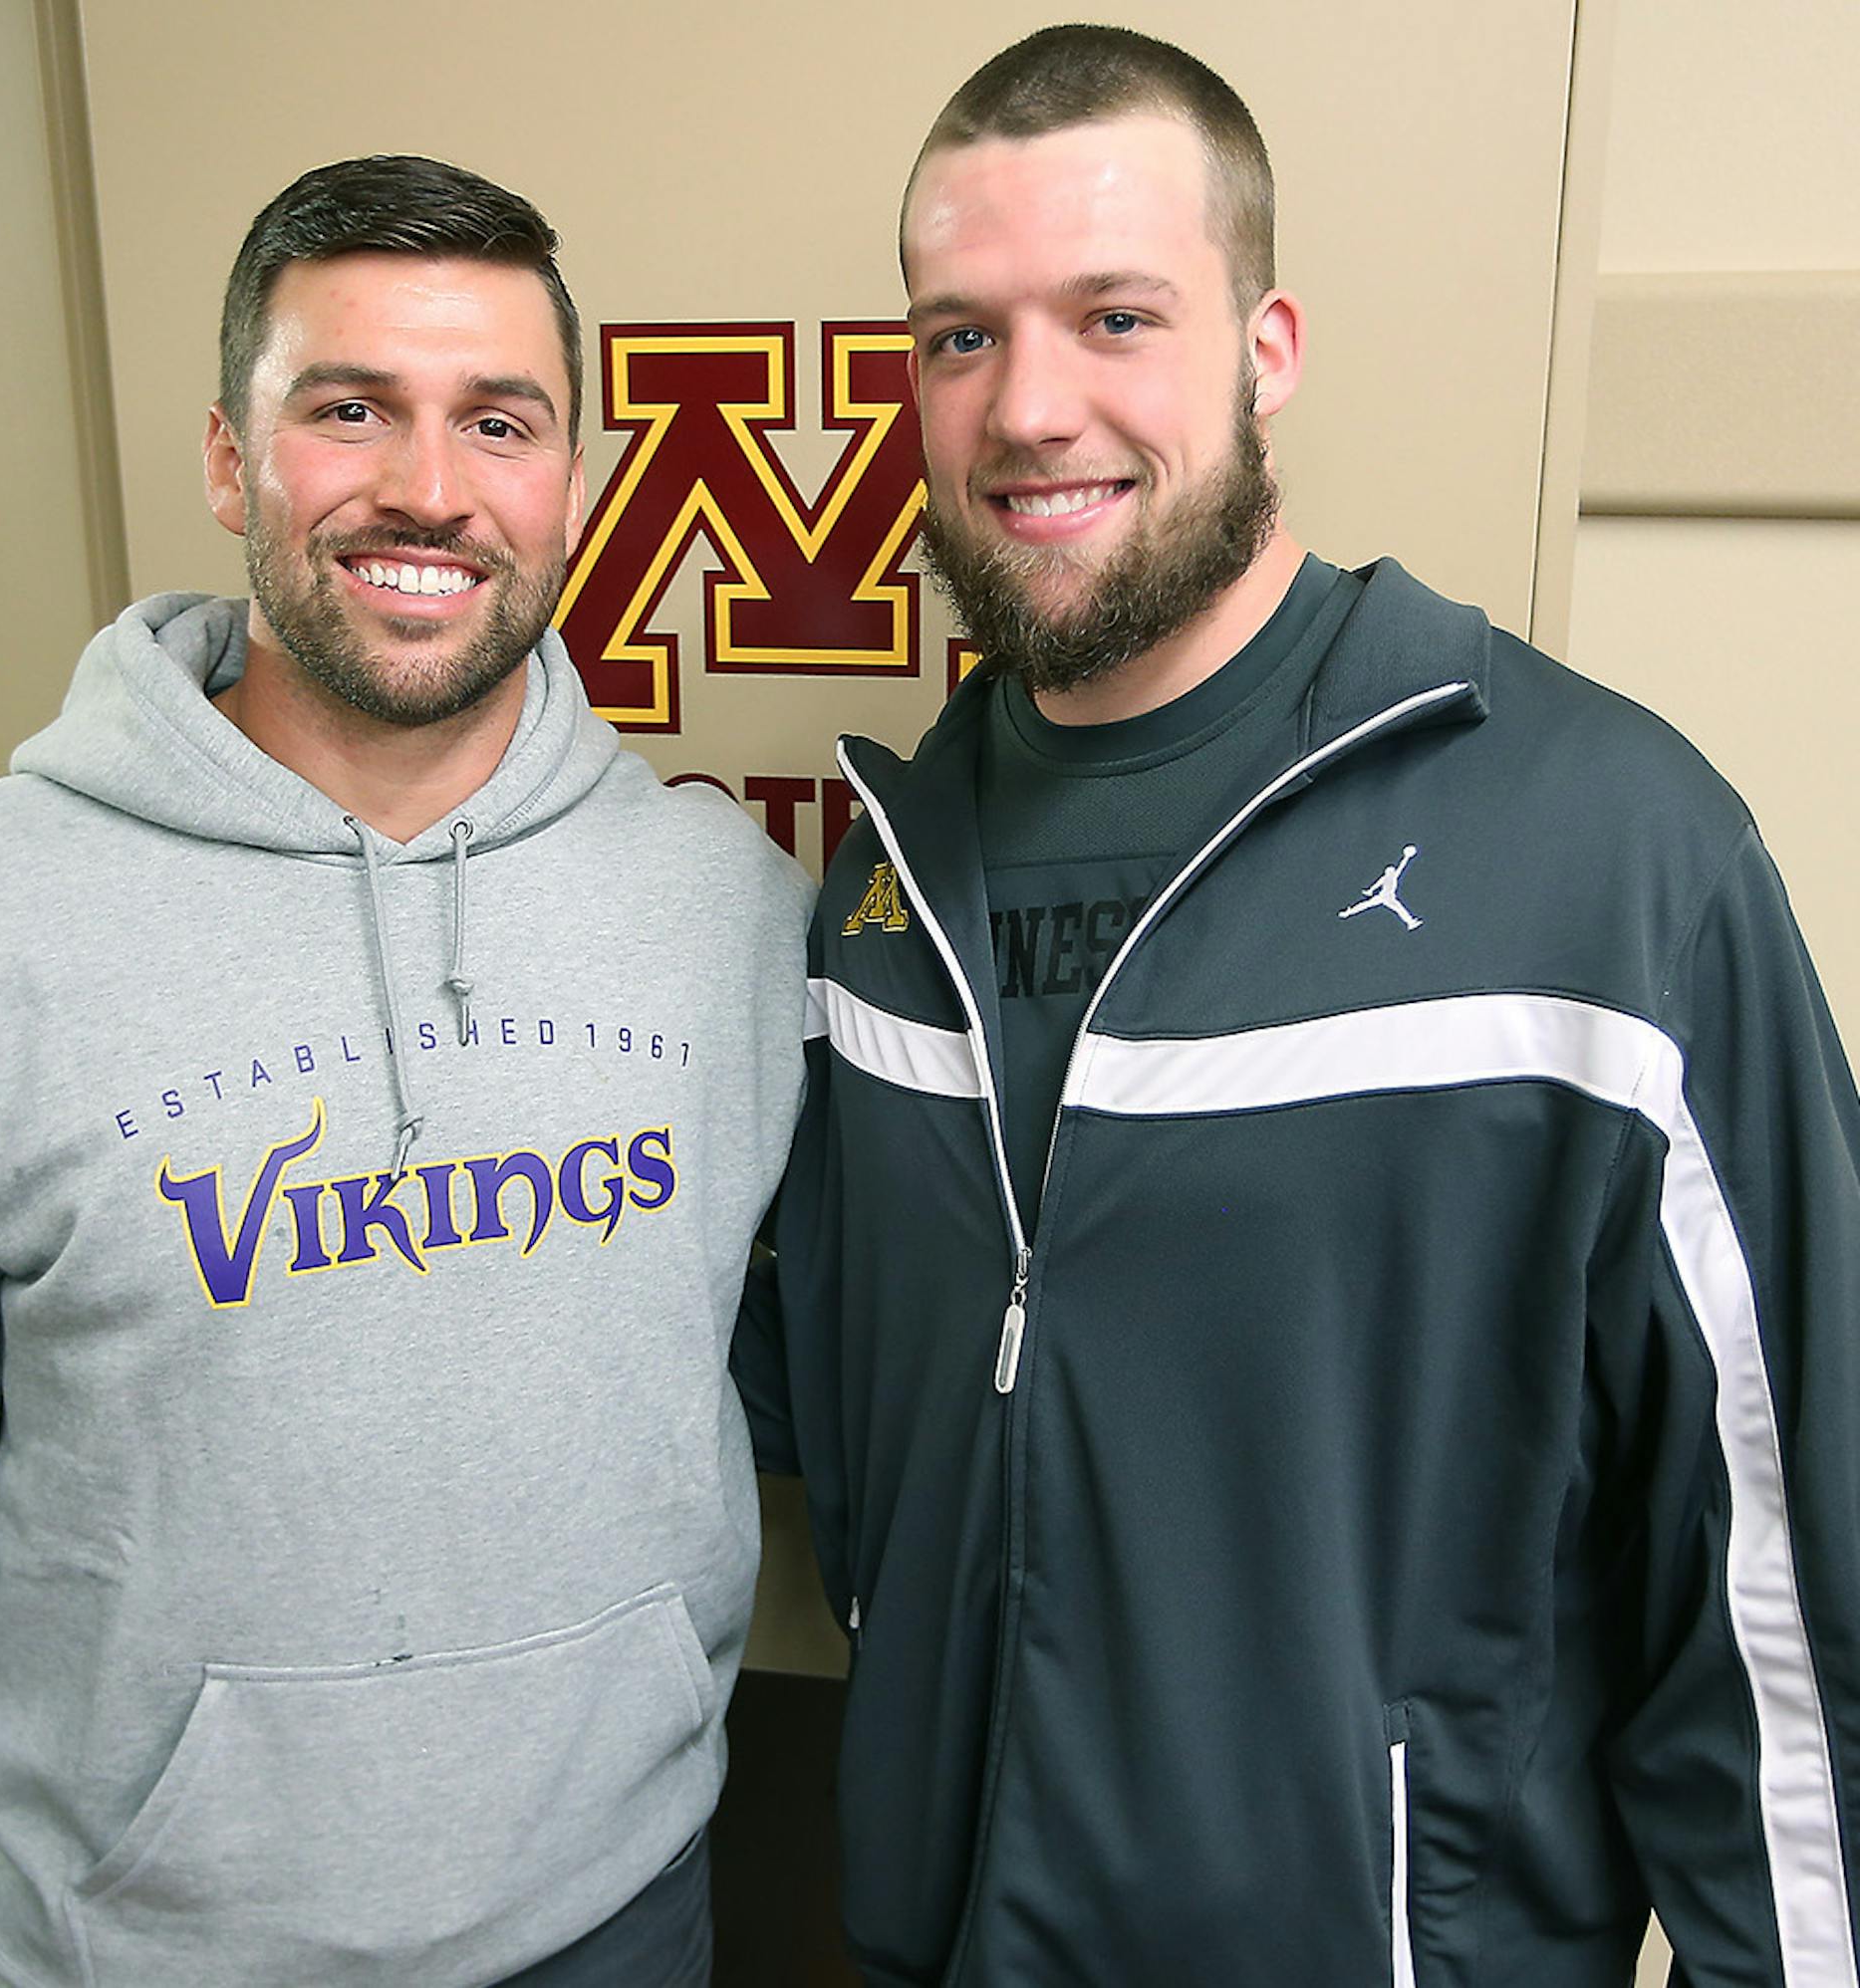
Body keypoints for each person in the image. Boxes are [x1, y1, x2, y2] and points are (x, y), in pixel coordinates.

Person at [737, 26, 1860, 1985]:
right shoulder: (876, 888)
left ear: (1266, 352)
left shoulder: (1607, 854)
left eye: (1114, 317)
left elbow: (1786, 1615)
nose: (1029, 407)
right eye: (958, 337)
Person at [0, 154, 810, 1988]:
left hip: (623, 1915)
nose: (428, 489)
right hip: (136, 1949)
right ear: (232, 459)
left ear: (572, 483)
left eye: (499, 421)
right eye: (349, 407)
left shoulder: (729, 918)